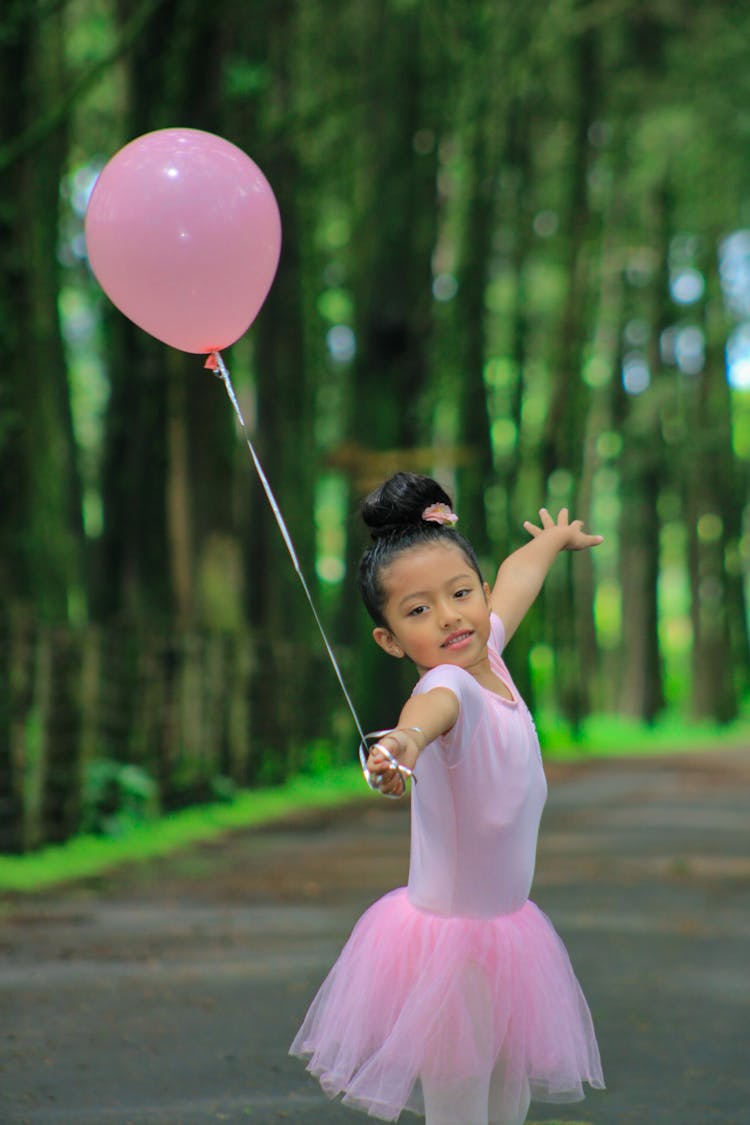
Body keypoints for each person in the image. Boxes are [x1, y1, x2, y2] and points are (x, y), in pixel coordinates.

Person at [290, 472, 605, 1125]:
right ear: (390, 639)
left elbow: (520, 575)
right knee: (459, 1109)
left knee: (501, 1106)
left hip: (509, 931)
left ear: (482, 593)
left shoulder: (488, 648)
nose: (449, 616)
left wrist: (550, 541)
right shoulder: (449, 686)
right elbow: (425, 713)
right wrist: (400, 745)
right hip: (451, 952)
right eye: (417, 611)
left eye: (461, 593)